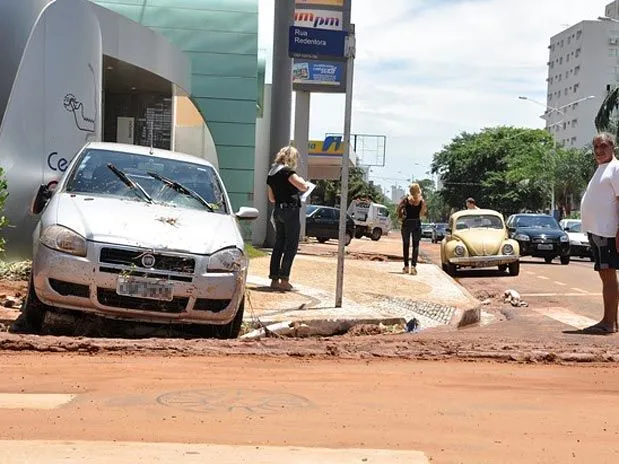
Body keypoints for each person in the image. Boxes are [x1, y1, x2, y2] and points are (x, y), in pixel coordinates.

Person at [580, 132, 619, 334]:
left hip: (607, 232)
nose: (598, 150)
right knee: (606, 275)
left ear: (612, 146)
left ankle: (608, 323)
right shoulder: (603, 168)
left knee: (608, 274)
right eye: (595, 147)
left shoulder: (616, 168)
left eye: (603, 146)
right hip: (598, 231)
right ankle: (612, 320)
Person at [267, 146, 309, 291]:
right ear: (290, 158)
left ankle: (274, 279)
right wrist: (304, 183)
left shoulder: (271, 173)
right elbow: (303, 186)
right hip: (290, 210)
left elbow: (271, 198)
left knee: (279, 244)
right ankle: (284, 280)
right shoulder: (287, 172)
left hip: (278, 210)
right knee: (291, 246)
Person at [397, 183, 427, 275]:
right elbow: (422, 214)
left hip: (406, 223)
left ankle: (406, 266)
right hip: (416, 223)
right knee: (416, 245)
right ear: (418, 191)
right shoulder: (422, 201)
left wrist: (401, 217)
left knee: (406, 245)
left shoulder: (406, 200)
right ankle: (413, 267)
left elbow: (398, 209)